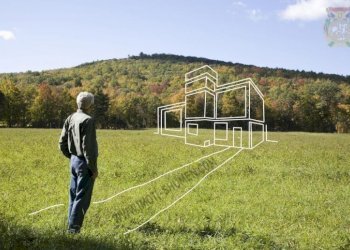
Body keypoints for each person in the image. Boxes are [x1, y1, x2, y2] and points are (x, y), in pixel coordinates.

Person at [59, 91, 98, 234]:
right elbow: (89, 148)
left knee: (73, 194)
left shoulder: (70, 117)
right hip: (84, 163)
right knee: (82, 197)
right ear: (90, 105)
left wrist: (71, 157)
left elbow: (61, 142)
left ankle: (70, 225)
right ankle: (74, 229)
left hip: (74, 160)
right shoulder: (88, 120)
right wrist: (93, 168)